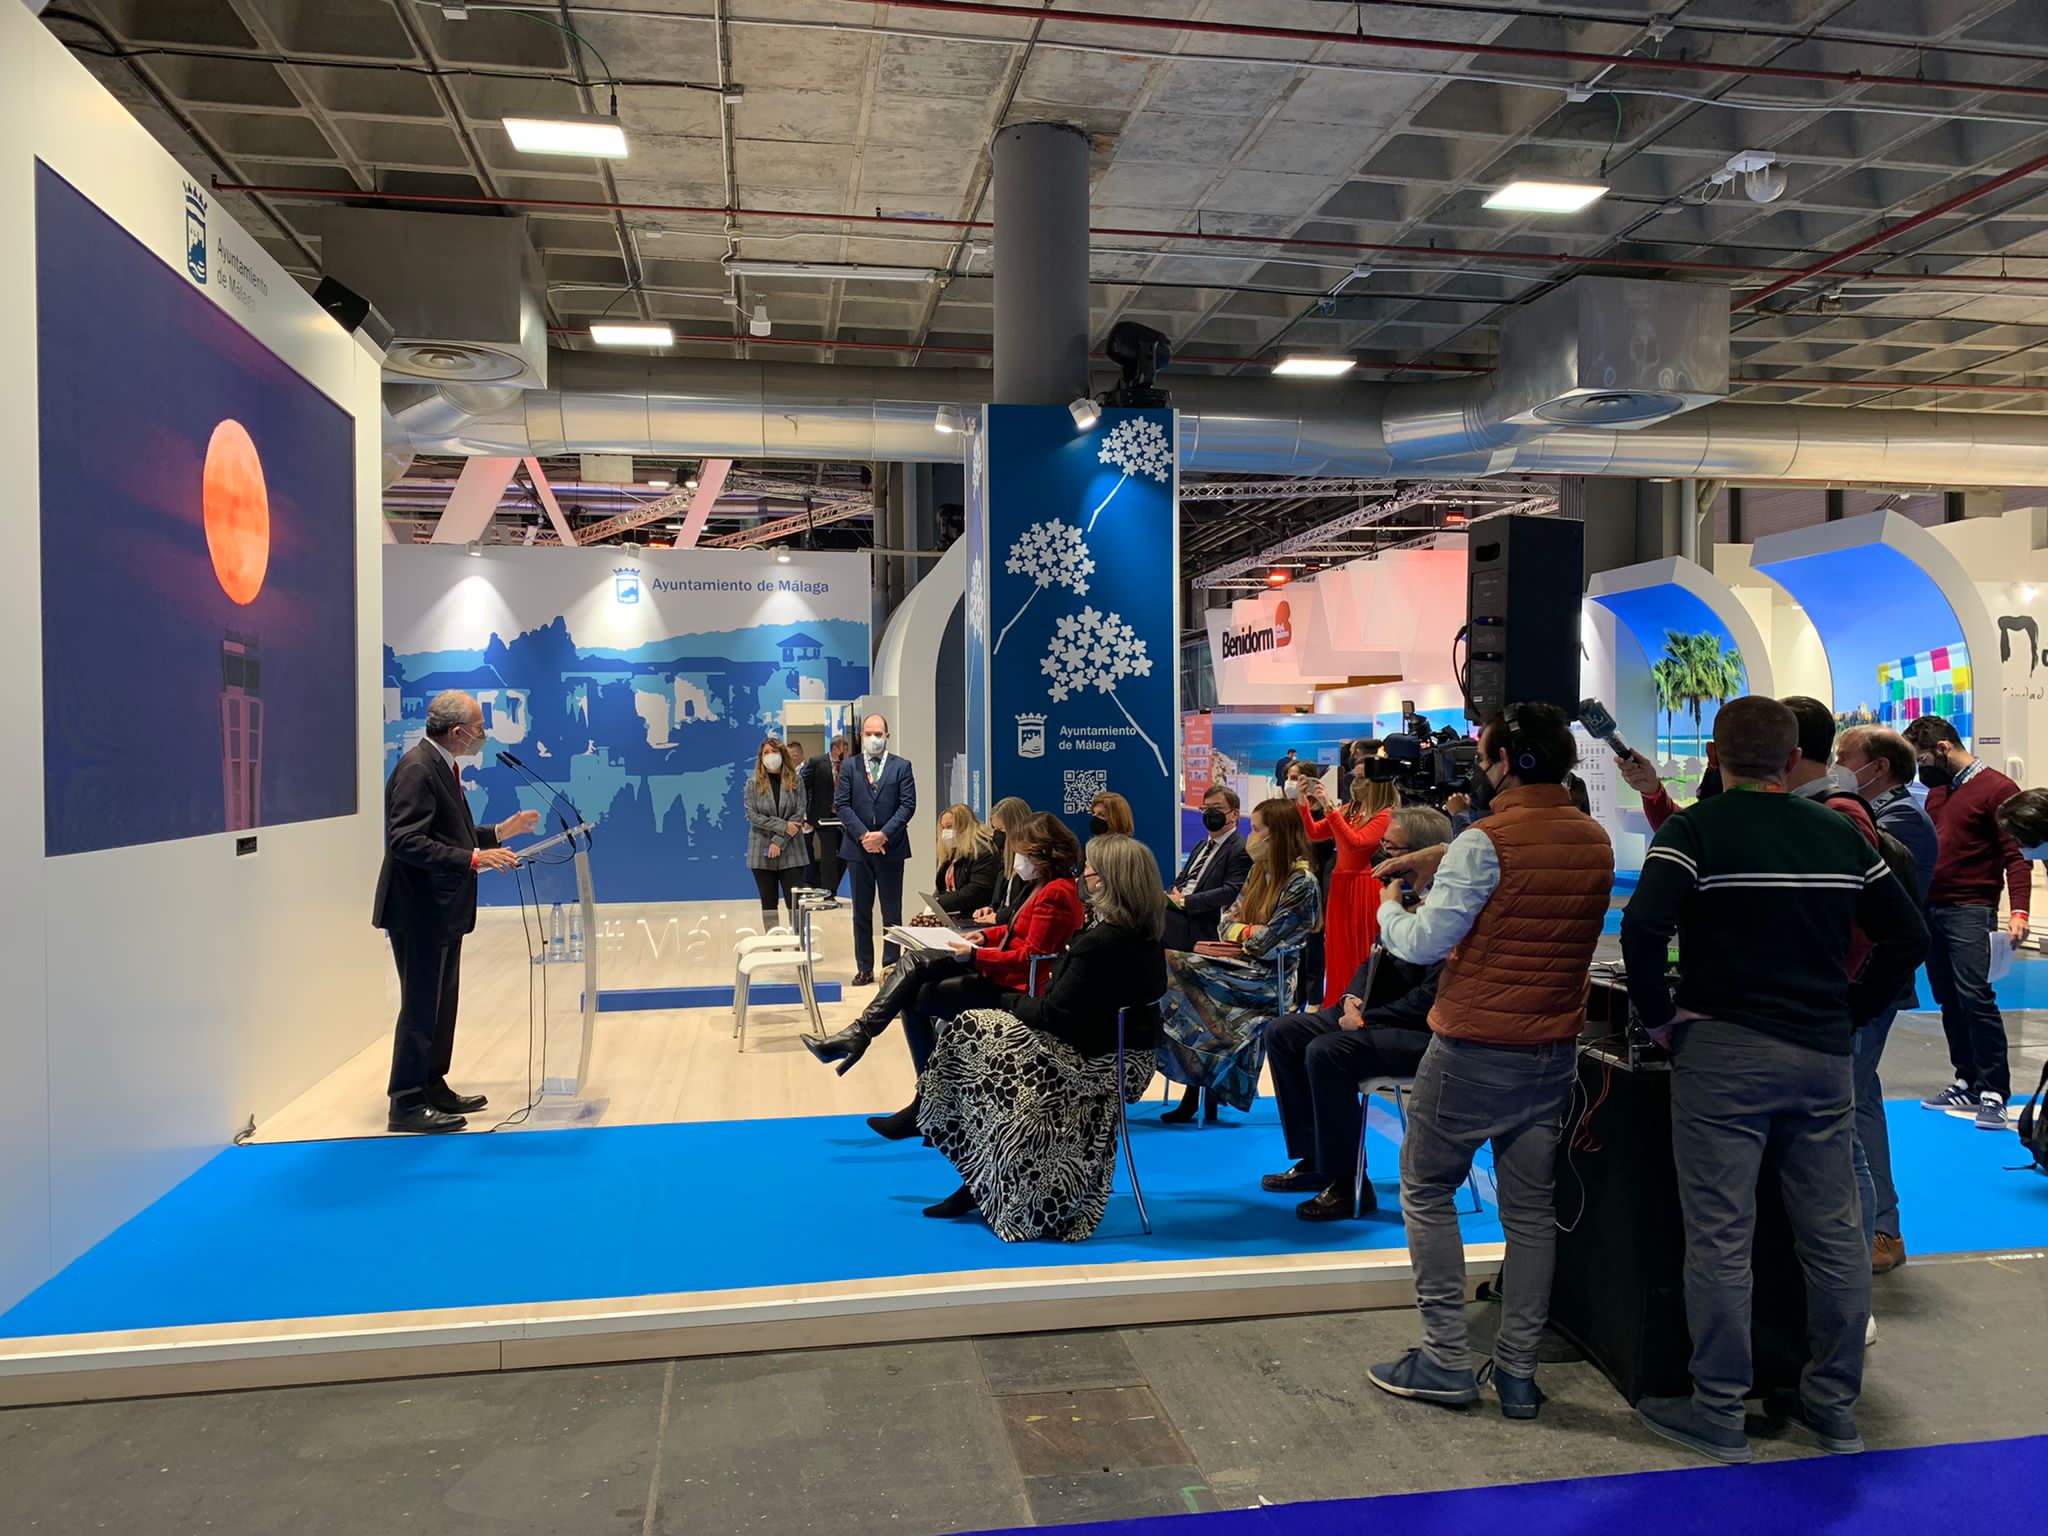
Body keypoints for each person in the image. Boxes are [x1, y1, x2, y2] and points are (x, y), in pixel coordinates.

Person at [1620, 697, 1927, 1464]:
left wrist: (1659, 1018)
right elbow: (1907, 934)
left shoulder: (1694, 830)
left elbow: (1643, 928)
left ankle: (1719, 1408)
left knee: (1721, 1236)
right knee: (1833, 1237)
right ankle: (1835, 1407)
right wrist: (1853, 1009)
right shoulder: (1839, 832)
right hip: (1821, 1056)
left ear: (1714, 755)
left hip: (1722, 1054)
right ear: (1792, 760)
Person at [1365, 702, 1612, 1421]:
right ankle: (1518, 1373)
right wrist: (1444, 857)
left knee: (1426, 1189)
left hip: (1474, 1047)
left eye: (1484, 756)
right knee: (1530, 1213)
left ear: (1505, 762)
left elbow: (1423, 943)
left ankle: (1445, 1358)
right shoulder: (1593, 837)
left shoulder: (1486, 842)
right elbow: (1526, 876)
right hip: (1552, 1052)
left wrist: (1389, 907)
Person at [916, 834, 1170, 1239]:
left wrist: (1007, 1002)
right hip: (1114, 1047)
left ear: (1110, 880)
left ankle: (962, 1151)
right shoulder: (1143, 933)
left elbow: (1055, 1014)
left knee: (971, 1034)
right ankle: (982, 1173)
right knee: (979, 1037)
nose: (1082, 876)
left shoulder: (1100, 944)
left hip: (1093, 1058)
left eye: (1090, 871)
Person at [804, 814, 1086, 1139]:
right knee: (915, 969)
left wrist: (977, 955)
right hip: (1001, 971)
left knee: (916, 994)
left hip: (1015, 987)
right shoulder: (1041, 886)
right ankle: (918, 1092)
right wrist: (985, 937)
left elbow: (1030, 956)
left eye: (1023, 851)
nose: (1017, 858)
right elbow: (1015, 930)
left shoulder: (1056, 892)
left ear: (1043, 852)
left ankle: (911, 1086)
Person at [1263, 806, 1453, 1221]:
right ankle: (1317, 1159)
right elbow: (1374, 956)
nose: (1381, 858)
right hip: (1374, 1012)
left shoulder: (1451, 908)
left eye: (1391, 849)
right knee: (1283, 1032)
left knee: (1327, 1052)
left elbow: (1432, 996)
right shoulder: (1397, 897)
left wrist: (1367, 1019)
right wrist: (1351, 997)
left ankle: (1347, 1182)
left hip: (1421, 1029)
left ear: (1422, 854)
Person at [372, 689, 541, 1134]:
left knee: (441, 1005)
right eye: (479, 728)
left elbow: (449, 833)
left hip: (442, 910)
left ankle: (432, 1083)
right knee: (420, 1007)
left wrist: (499, 832)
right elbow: (406, 840)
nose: (483, 735)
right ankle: (406, 1101)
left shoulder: (441, 765)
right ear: (458, 731)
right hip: (418, 910)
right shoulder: (417, 768)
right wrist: (472, 858)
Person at [1834, 725, 1938, 1277]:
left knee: (1851, 1104)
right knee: (1860, 1099)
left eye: (1844, 756)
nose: (1836, 764)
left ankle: (1879, 1229)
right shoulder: (1872, 813)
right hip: (1860, 982)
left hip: (1872, 982)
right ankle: (1878, 1226)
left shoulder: (1898, 822)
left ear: (1879, 767)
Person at [1157, 798, 1322, 1125]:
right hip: (1243, 966)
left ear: (1276, 835)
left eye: (1257, 829)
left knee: (1179, 969)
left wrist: (1246, 933)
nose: (1252, 836)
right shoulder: (1260, 872)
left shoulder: (1302, 883)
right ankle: (1203, 1080)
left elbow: (1266, 944)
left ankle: (1204, 1081)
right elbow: (1225, 923)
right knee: (1168, 966)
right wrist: (1248, 931)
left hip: (1269, 979)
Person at [1903, 715, 2030, 1130]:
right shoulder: (1938, 792)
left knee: (1975, 997)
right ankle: (1968, 1080)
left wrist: (2020, 910)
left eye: (1922, 758)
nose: (1920, 767)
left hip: (1972, 909)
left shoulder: (1998, 789)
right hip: (1933, 908)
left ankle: (1994, 1089)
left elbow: (2016, 855)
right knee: (1948, 999)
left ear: (1942, 748)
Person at [1298, 769, 1399, 1009]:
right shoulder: (1349, 810)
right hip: (1341, 886)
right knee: (1338, 949)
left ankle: (1358, 1006)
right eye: (1355, 776)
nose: (1355, 782)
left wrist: (1329, 808)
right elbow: (1314, 832)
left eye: (1362, 776)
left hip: (1363, 887)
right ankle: (1336, 1004)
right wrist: (1302, 802)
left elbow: (1355, 843)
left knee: (1358, 950)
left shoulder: (1385, 815)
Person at [835, 713, 917, 987]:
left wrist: (883, 835)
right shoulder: (849, 766)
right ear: (861, 737)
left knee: (892, 911)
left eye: (878, 734)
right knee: (861, 911)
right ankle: (864, 967)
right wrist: (864, 836)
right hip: (857, 849)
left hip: (891, 848)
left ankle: (890, 967)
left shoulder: (901, 766)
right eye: (869, 734)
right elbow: (842, 805)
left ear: (887, 736)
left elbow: (907, 805)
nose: (873, 739)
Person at [1163, 784, 1251, 951]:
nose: (1210, 814)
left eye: (1217, 808)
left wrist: (1185, 901)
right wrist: (1171, 897)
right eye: (1206, 808)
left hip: (1203, 922)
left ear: (1234, 814)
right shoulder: (1201, 846)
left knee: (1152, 918)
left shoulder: (1240, 849)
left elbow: (1230, 891)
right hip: (1179, 913)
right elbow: (1181, 879)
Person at [742, 738, 811, 933]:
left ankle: (798, 943)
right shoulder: (752, 784)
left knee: (795, 903)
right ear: (760, 757)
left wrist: (778, 842)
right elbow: (753, 816)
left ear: (782, 754)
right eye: (766, 752)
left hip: (792, 851)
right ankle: (774, 943)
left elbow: (798, 814)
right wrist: (783, 826)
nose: (770, 756)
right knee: (768, 903)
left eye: (774, 751)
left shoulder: (796, 781)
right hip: (761, 852)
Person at [929, 802, 1000, 920]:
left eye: (950, 827)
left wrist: (939, 903)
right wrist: (933, 903)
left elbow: (976, 891)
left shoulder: (982, 851)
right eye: (943, 828)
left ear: (964, 826)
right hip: (954, 910)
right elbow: (941, 887)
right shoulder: (953, 851)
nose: (946, 832)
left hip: (973, 913)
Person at [976, 796, 1033, 926]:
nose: (997, 835)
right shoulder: (1005, 857)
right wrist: (991, 909)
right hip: (1002, 923)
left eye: (1001, 830)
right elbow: (1001, 897)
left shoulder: (1030, 862)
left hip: (1017, 925)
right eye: (995, 829)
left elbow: (1024, 904)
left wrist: (999, 917)